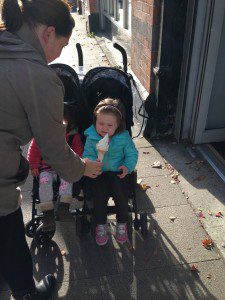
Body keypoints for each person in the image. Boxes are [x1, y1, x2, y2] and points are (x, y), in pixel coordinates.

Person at [0, 1, 102, 299]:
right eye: (63, 44)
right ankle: (26, 292)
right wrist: (83, 167)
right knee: (9, 227)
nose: (59, 54)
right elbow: (54, 149)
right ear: (48, 33)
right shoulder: (38, 76)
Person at [83, 98, 138, 246]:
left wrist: (127, 166)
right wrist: (90, 162)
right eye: (101, 123)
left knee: (121, 196)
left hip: (118, 173)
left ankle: (122, 223)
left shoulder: (123, 138)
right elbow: (86, 155)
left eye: (109, 125)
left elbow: (132, 154)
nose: (104, 128)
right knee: (99, 198)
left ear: (118, 125)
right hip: (99, 174)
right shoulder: (91, 137)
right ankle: (101, 224)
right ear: (95, 121)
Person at [27, 102, 84, 232]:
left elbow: (79, 153)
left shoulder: (72, 137)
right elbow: (34, 150)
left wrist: (76, 164)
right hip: (46, 168)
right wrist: (34, 165)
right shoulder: (42, 135)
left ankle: (63, 208)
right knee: (44, 183)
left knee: (67, 180)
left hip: (65, 168)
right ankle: (47, 215)